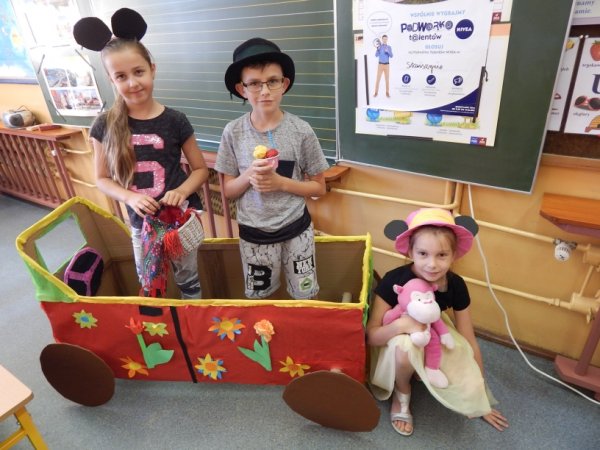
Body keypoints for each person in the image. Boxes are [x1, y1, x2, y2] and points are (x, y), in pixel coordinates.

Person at [367, 208, 509, 436]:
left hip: (432, 331)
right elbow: (372, 336)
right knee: (405, 347)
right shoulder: (395, 280)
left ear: (454, 254)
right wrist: (400, 326)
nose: (432, 264)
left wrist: (478, 395)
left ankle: (421, 367)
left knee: (458, 350)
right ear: (410, 251)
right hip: (391, 337)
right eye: (423, 253)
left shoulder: (456, 284)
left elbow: (468, 340)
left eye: (442, 255)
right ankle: (402, 393)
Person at [88, 36, 208, 299]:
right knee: (149, 283)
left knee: (188, 280)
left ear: (152, 69)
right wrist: (130, 197)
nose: (132, 83)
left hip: (179, 220)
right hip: (141, 223)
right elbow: (102, 178)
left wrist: (182, 191)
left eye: (138, 72)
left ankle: (191, 320)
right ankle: (159, 323)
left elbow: (200, 170)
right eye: (121, 76)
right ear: (111, 80)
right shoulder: (104, 125)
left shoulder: (176, 120)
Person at [215, 37, 329, 299]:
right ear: (242, 89)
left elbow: (319, 187)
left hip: (296, 230)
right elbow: (228, 190)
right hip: (254, 235)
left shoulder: (301, 131)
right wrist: (249, 174)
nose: (264, 90)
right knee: (260, 297)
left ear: (284, 84)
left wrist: (281, 183)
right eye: (254, 83)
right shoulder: (233, 132)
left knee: (305, 294)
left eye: (272, 81)